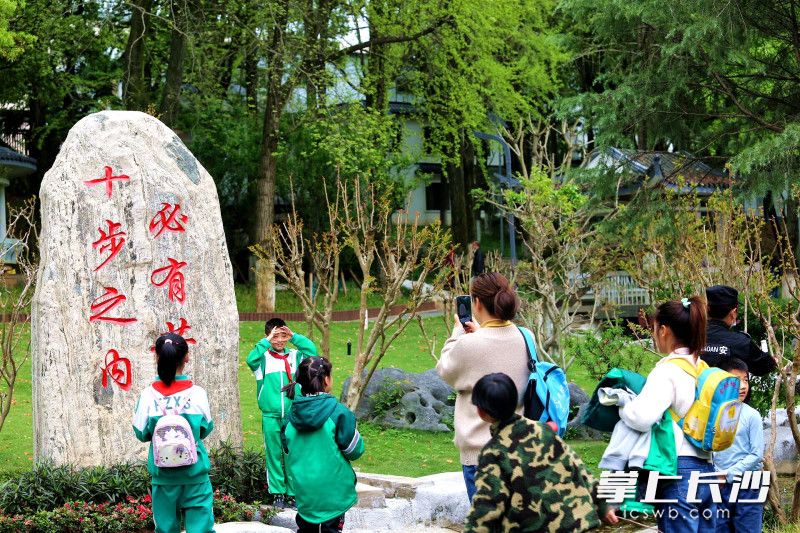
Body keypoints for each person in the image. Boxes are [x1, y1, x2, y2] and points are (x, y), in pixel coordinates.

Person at [464, 373, 618, 533]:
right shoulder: (543, 430)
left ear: (481, 411)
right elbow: (579, 468)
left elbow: (487, 505)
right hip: (581, 523)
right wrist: (604, 505)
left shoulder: (493, 452)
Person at [620, 296, 716, 532]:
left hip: (678, 470)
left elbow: (641, 418)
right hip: (707, 469)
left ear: (663, 330)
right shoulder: (703, 369)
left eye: (654, 329)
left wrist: (622, 405)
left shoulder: (667, 371)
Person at [437, 272, 530, 501]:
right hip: (519, 448)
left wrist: (457, 335)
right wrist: (480, 333)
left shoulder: (469, 344)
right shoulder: (526, 336)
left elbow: (445, 369)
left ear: (476, 303)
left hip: (481, 453)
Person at [132, 333, 215, 533]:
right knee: (201, 528)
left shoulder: (147, 395)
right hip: (195, 476)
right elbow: (205, 429)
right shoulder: (198, 393)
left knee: (166, 528)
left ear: (157, 358)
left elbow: (141, 433)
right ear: (186, 357)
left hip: (163, 478)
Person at [281, 356, 365, 533]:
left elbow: (287, 447)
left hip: (305, 491)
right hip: (334, 492)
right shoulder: (338, 413)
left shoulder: (290, 417)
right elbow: (354, 450)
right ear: (326, 380)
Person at [246, 318, 318, 506]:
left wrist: (294, 337)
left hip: (293, 415)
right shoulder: (262, 359)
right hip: (270, 415)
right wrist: (265, 342)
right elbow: (250, 359)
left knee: (292, 453)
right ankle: (278, 492)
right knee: (274, 453)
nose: (279, 340)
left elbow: (312, 352)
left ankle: (293, 492)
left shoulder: (296, 356)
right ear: (268, 337)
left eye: (283, 336)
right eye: (275, 336)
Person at [713, 357, 765, 533]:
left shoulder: (752, 415)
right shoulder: (713, 414)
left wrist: (727, 474)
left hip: (747, 485)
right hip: (719, 485)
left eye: (746, 380)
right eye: (736, 380)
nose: (743, 386)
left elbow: (756, 454)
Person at [701, 285, 776, 376]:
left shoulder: (690, 335)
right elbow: (763, 366)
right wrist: (773, 361)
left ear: (707, 309)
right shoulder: (741, 342)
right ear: (733, 313)